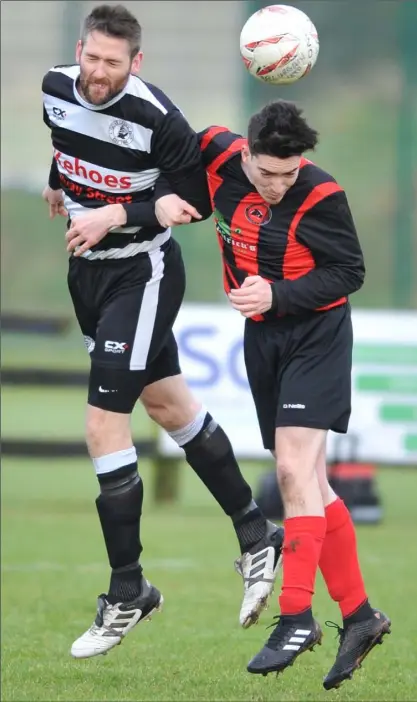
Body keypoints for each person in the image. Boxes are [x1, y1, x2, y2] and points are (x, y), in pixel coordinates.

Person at [41, 4, 283, 660]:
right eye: (91, 58)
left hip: (140, 277)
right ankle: (258, 533)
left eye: (112, 64)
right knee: (170, 405)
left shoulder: (159, 120)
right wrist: (59, 186)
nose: (97, 73)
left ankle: (128, 590)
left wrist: (113, 214)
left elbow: (191, 202)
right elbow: (68, 152)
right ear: (79, 50)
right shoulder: (54, 89)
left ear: (135, 63)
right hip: (86, 276)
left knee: (102, 425)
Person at [197, 102, 391, 688]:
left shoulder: (321, 194)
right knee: (316, 484)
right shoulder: (215, 154)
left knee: (290, 469)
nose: (279, 185)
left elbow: (349, 271)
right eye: (267, 174)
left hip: (317, 335)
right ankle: (359, 617)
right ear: (246, 153)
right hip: (264, 339)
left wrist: (277, 297)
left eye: (290, 173)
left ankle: (296, 615)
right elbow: (166, 145)